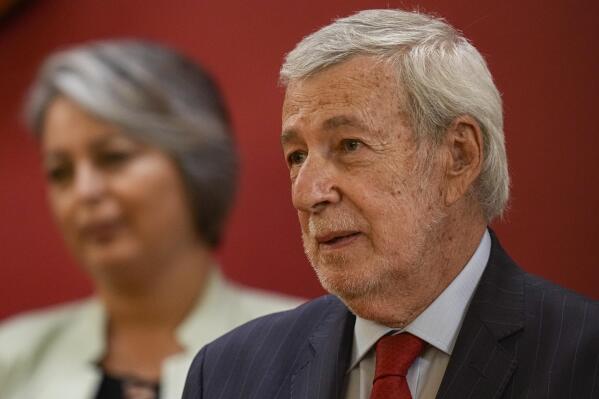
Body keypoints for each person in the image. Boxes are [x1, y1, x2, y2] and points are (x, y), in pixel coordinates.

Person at [182, 9, 599, 399]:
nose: (306, 194)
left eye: (349, 145)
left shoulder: (584, 359)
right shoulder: (225, 373)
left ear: (458, 156)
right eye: (297, 156)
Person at [0, 40, 302, 399]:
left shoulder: (306, 348)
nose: (84, 191)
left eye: (114, 157)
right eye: (60, 172)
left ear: (196, 166)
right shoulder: (12, 359)